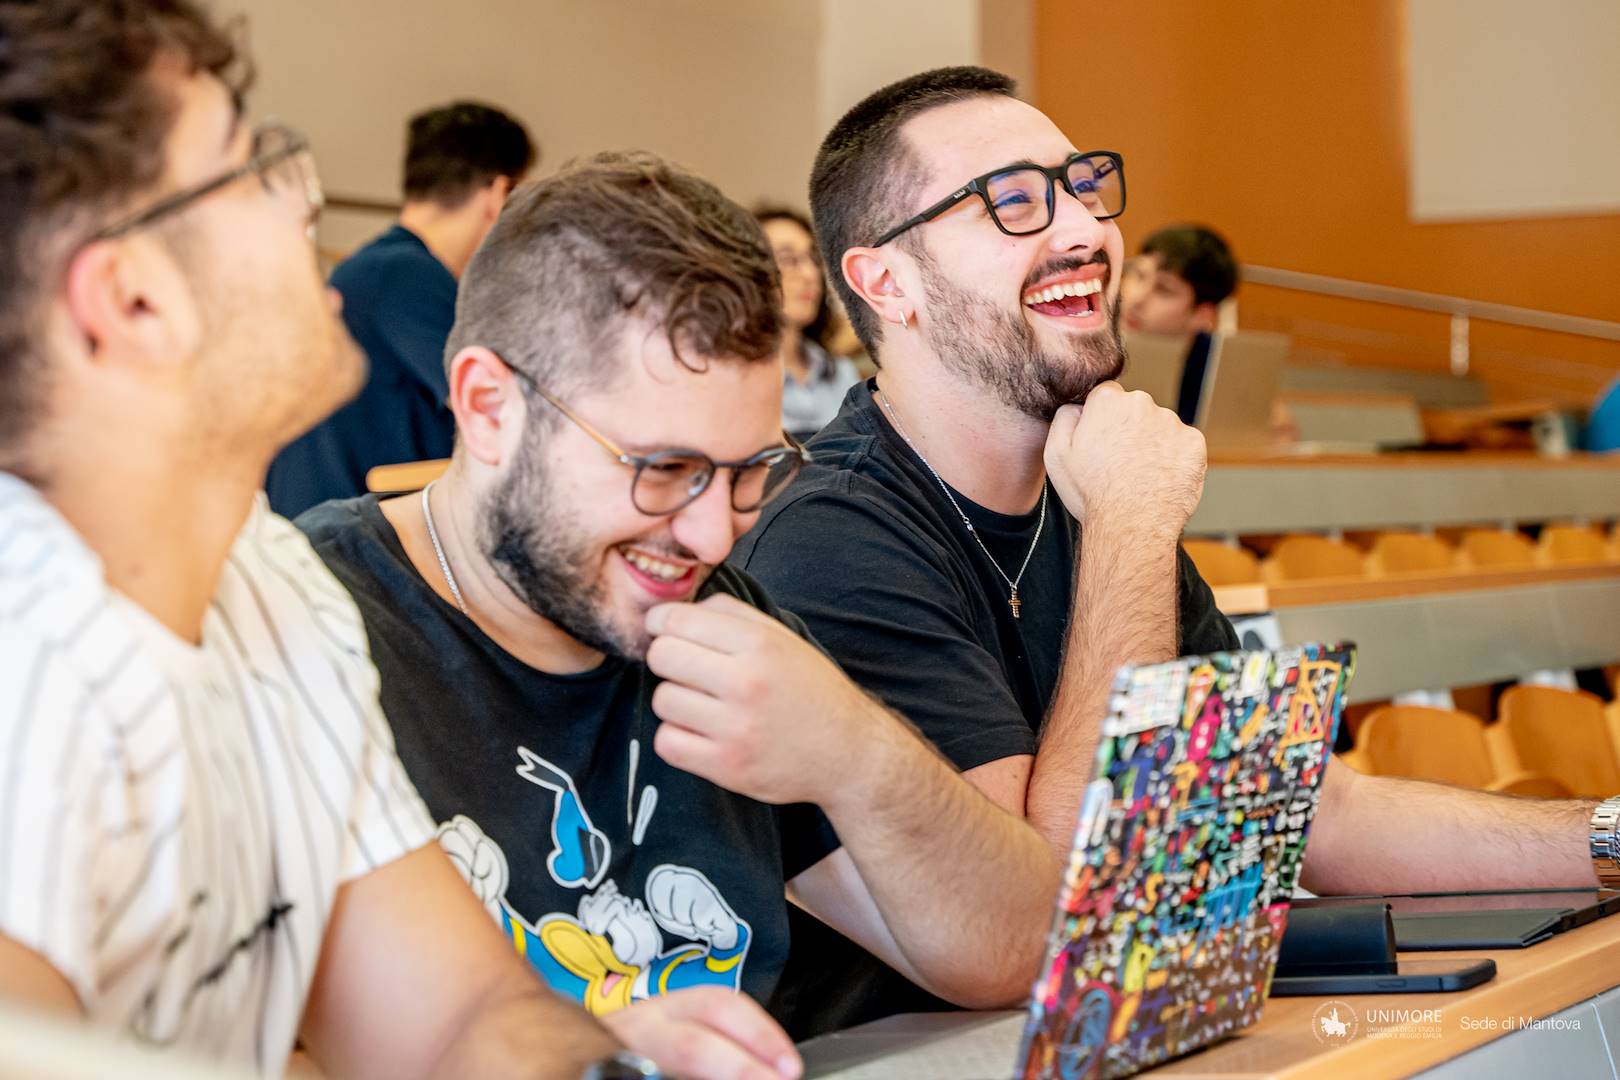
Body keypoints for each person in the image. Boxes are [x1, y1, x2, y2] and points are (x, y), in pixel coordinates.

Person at [0, 3, 812, 1077]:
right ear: (134, 300)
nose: (305, 199)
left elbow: (458, 1018)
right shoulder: (28, 665)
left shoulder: (272, 589)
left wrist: (608, 1057)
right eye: (249, 168)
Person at [732, 65, 1602, 1033]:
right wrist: (1132, 527)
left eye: (1081, 186)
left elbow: (1310, 810)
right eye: (1013, 202)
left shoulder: (1089, 486)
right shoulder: (829, 544)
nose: (1085, 231)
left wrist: (1606, 837)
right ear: (885, 281)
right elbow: (1053, 918)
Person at [296, 150, 1063, 1075]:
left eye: (750, 473)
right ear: (488, 407)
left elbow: (1014, 955)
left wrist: (856, 751)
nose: (711, 534)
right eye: (663, 470)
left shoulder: (720, 621)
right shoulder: (300, 629)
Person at [267, 101, 535, 517]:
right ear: (499, 194)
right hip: (354, 535)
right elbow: (506, 414)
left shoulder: (375, 269)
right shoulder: (406, 275)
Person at [755, 206, 862, 440]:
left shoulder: (840, 372)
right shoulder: (734, 381)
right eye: (788, 259)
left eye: (813, 259)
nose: (810, 274)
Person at [1119, 224, 1237, 424]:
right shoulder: (1089, 339)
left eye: (1164, 289)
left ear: (1202, 315)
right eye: (1139, 275)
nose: (1137, 299)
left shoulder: (1220, 368)